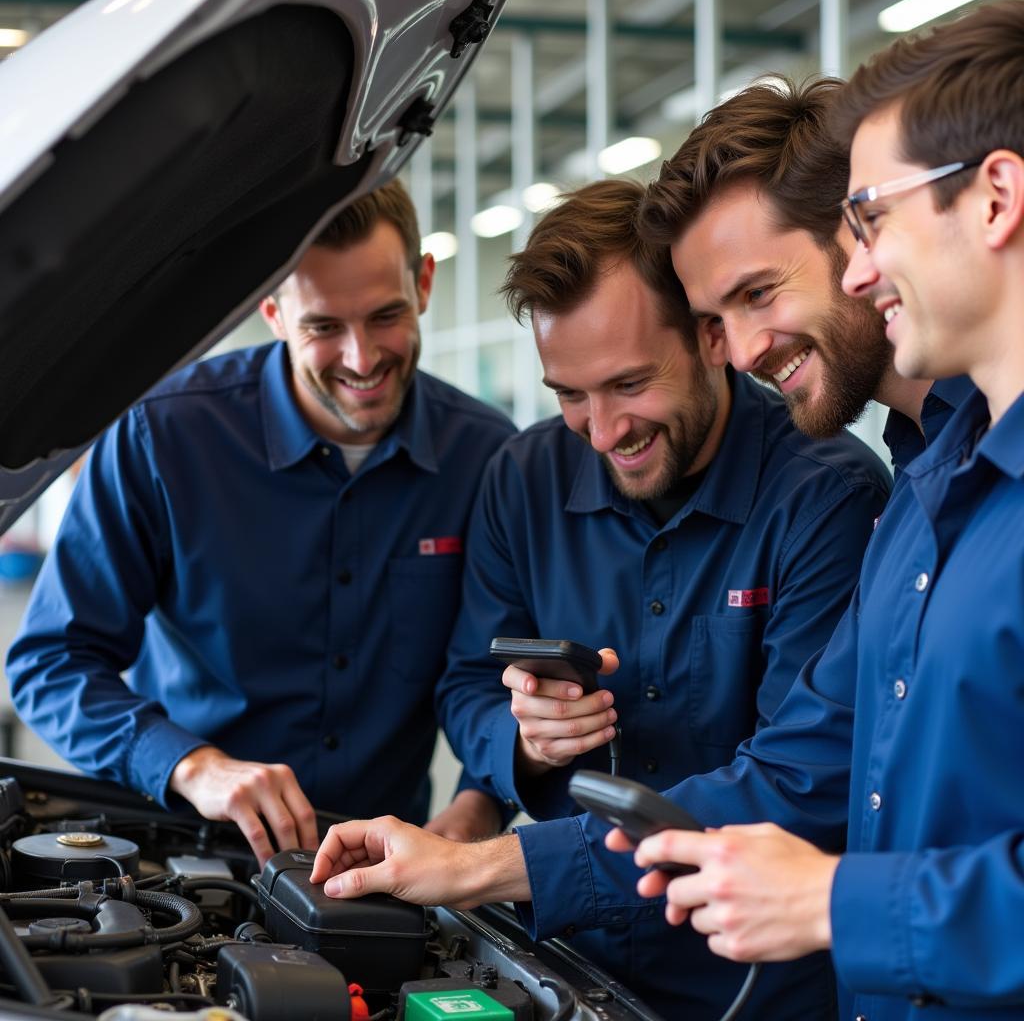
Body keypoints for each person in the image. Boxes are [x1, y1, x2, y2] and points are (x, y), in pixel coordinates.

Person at [317, 178, 892, 1019]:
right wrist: (521, 744)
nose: (602, 431)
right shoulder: (523, 477)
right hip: (553, 960)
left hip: (747, 983)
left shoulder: (825, 496)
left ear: (709, 337)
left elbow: (797, 785)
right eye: (569, 394)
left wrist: (487, 868)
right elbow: (467, 686)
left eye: (629, 384)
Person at [605, 6, 1024, 1021]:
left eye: (871, 221)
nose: (859, 267)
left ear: (997, 196)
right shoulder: (925, 500)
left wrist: (839, 900)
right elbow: (806, 769)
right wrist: (482, 865)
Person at [5, 181, 515, 866]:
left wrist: (478, 805)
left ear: (423, 283)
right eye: (324, 327)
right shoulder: (162, 438)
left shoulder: (487, 457)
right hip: (181, 854)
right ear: (271, 308)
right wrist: (193, 765)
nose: (362, 358)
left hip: (389, 874)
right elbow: (51, 664)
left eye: (385, 316)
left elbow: (495, 677)